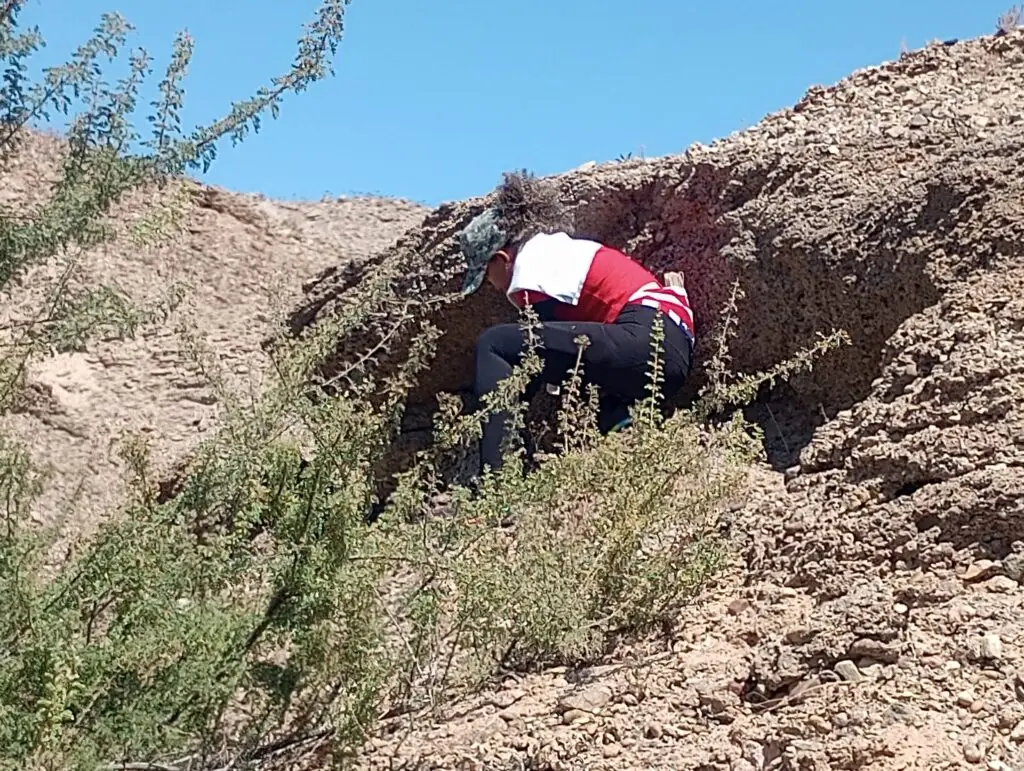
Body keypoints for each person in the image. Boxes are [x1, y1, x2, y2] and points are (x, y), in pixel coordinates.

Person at [458, 186, 695, 477]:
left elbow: (530, 363)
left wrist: (495, 410)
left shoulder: (528, 274)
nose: (490, 286)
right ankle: (622, 426)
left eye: (485, 275)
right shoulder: (560, 252)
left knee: (494, 345)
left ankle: (492, 482)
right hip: (669, 357)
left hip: (643, 337)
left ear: (501, 259)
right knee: (596, 408)